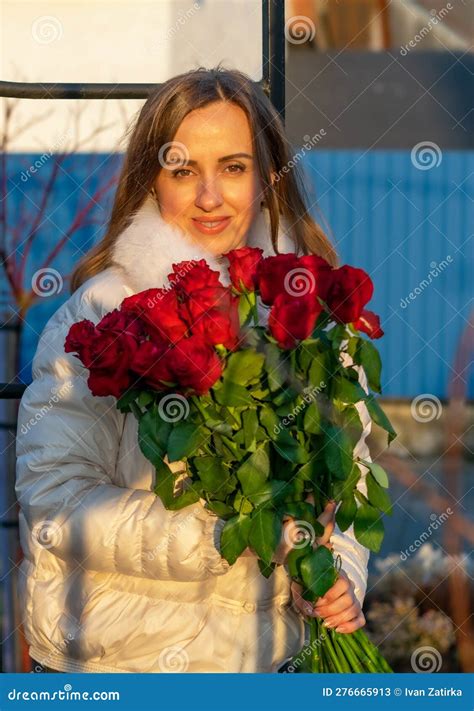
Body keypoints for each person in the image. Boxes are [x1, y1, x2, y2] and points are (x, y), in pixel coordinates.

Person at [16, 65, 371, 674]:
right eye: (183, 170)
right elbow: (55, 504)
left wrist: (335, 580)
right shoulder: (103, 316)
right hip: (117, 668)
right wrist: (229, 534)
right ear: (151, 182)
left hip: (265, 664)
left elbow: (346, 484)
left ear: (267, 179)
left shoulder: (307, 315)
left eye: (233, 168)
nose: (210, 197)